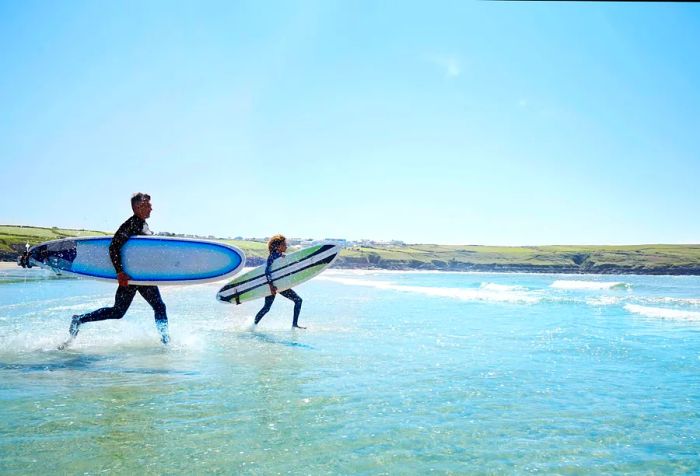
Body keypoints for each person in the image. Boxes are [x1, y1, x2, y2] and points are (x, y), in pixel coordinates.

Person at [60, 193, 169, 348]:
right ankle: (79, 319)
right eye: (148, 204)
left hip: (141, 277)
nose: (152, 207)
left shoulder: (143, 224)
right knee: (119, 312)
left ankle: (165, 340)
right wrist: (120, 272)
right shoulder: (131, 224)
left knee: (155, 307)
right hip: (130, 277)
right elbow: (114, 247)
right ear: (138, 207)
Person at [254, 234, 304, 329]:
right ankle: (253, 325)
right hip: (274, 286)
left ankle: (253, 326)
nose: (286, 246)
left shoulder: (281, 256)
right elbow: (267, 271)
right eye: (284, 244)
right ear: (278, 246)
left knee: (267, 308)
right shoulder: (273, 256)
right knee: (297, 301)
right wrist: (271, 286)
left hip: (280, 285)